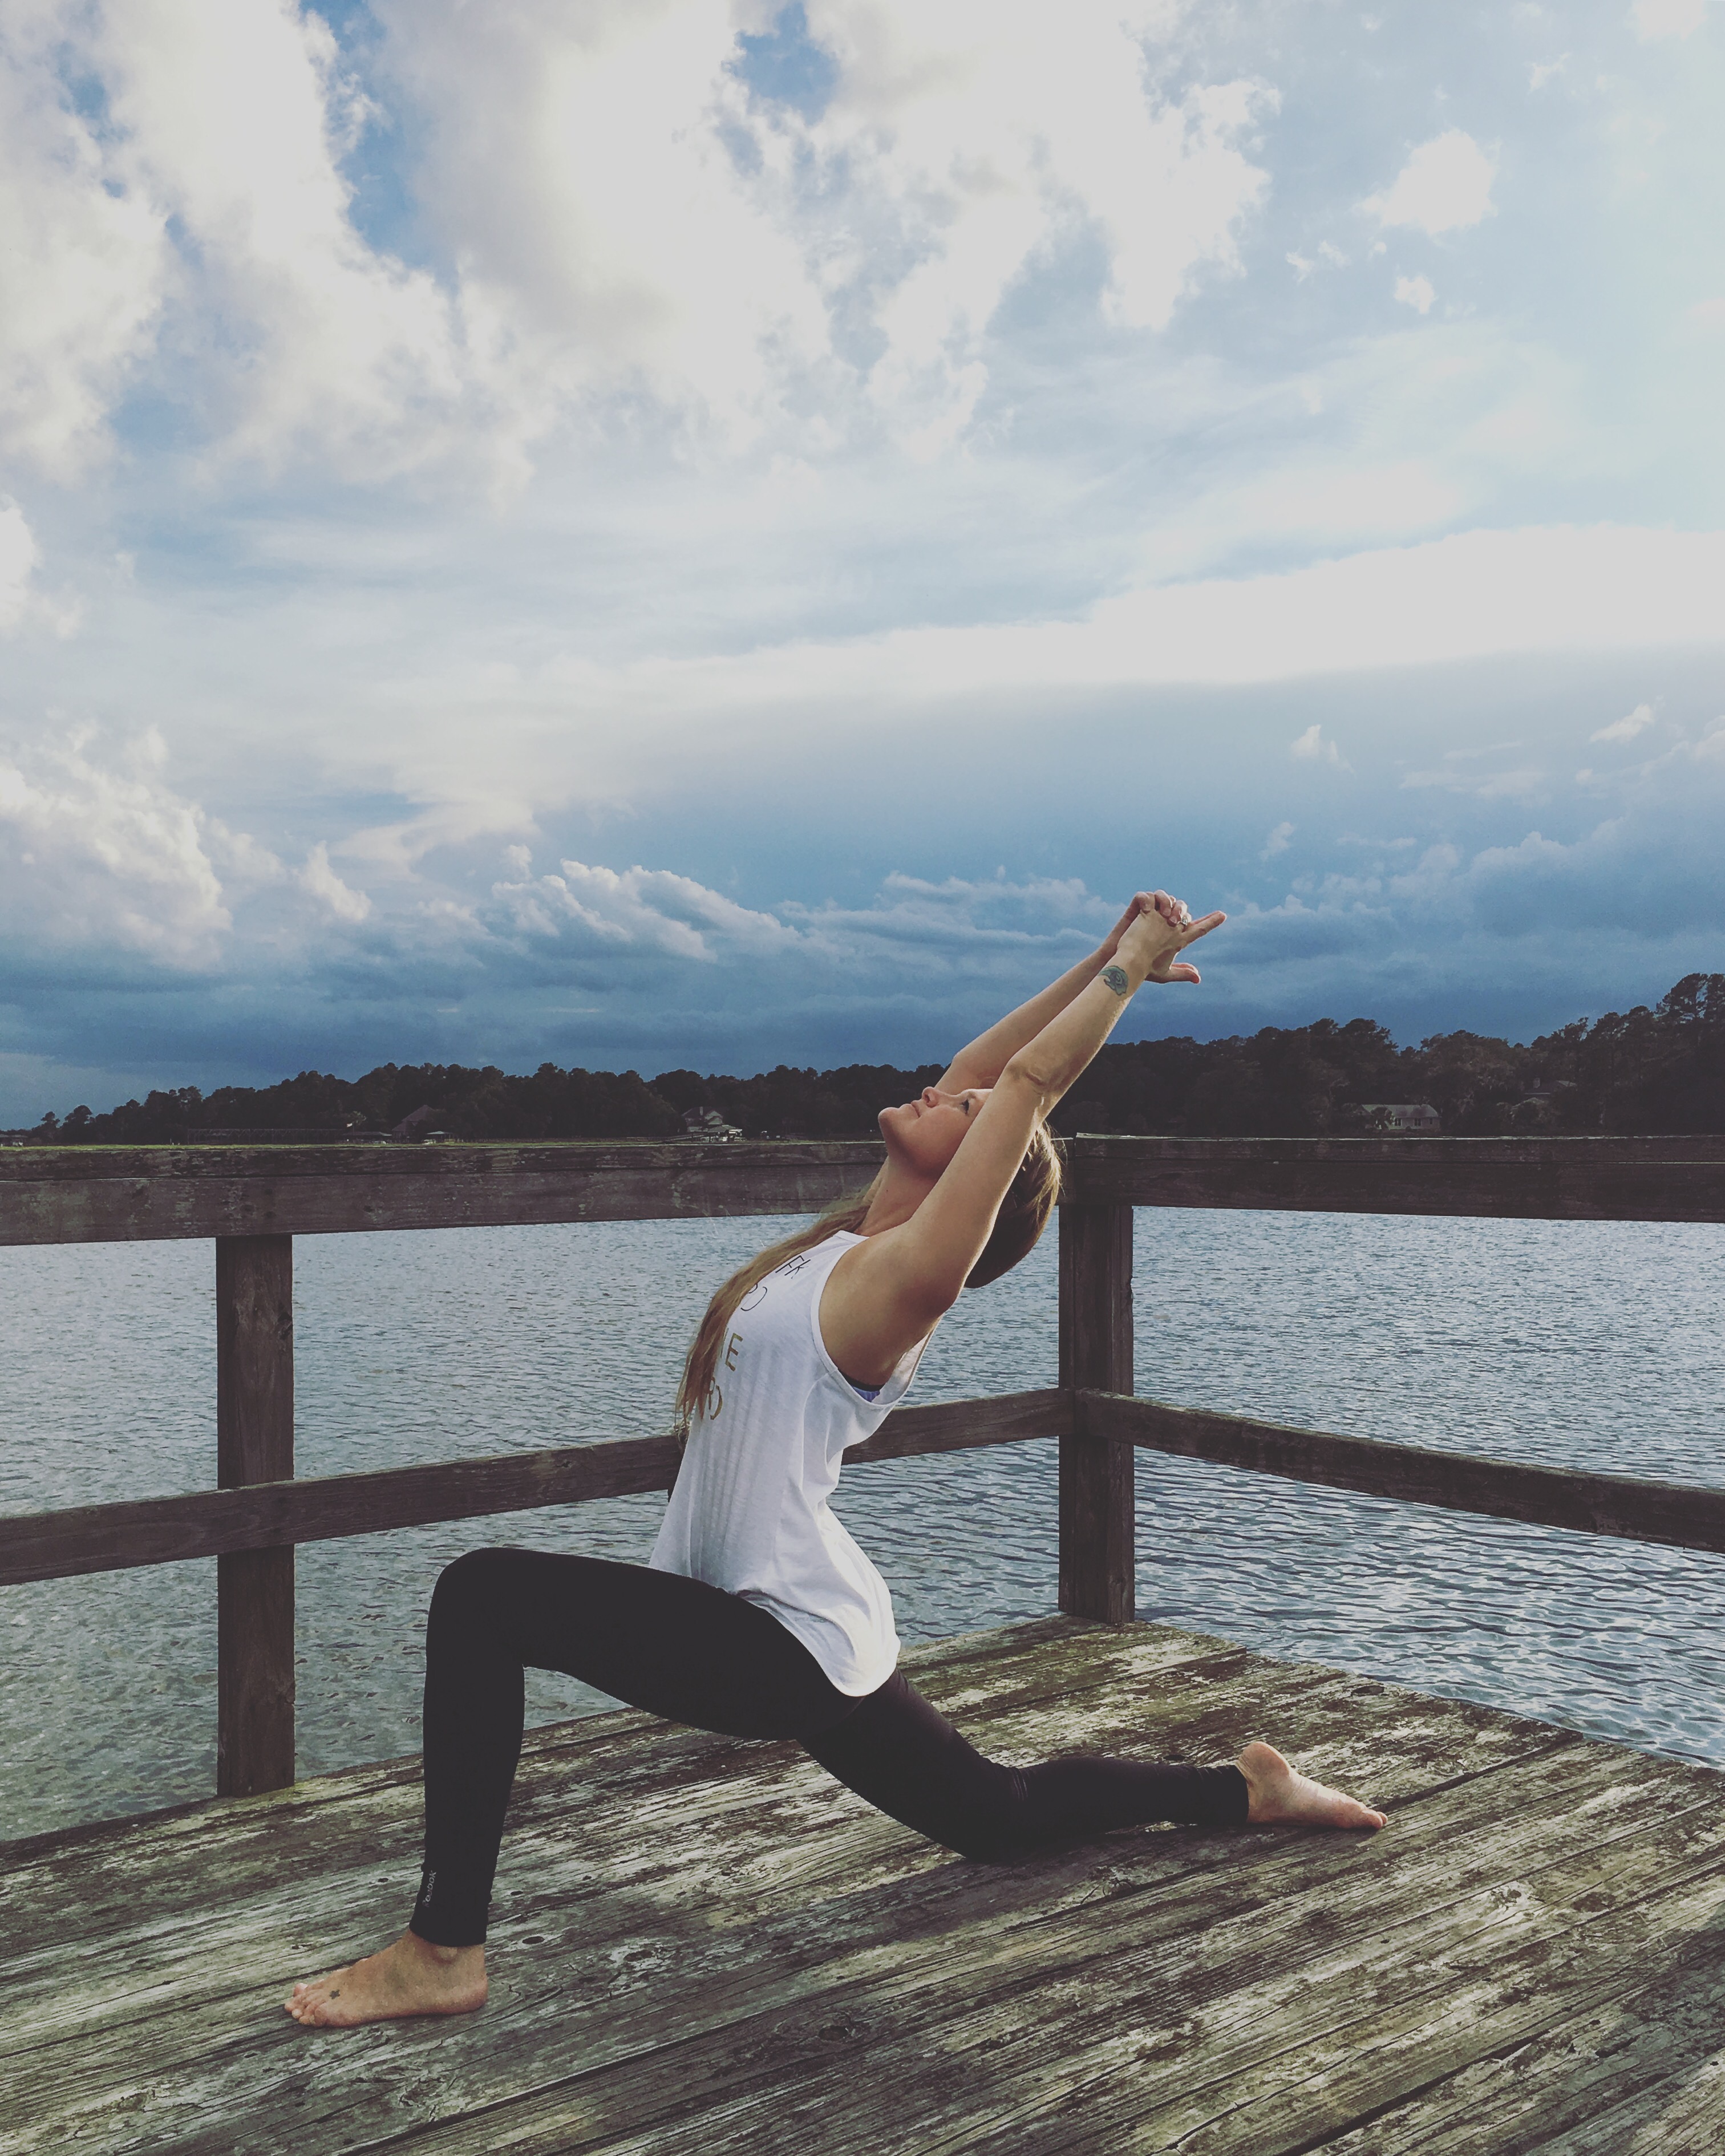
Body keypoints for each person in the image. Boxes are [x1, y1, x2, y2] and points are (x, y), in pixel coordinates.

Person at [286, 887, 1384, 2029]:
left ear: (980, 1175)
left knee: (482, 1598)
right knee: (998, 1814)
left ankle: (444, 1948)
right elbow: (996, 1068)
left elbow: (1026, 1085)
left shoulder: (900, 1286)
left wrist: (1124, 978)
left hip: (778, 1639)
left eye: (968, 1111)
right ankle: (1243, 1791)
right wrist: (1105, 955)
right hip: (797, 1620)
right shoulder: (845, 1246)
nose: (947, 1086)